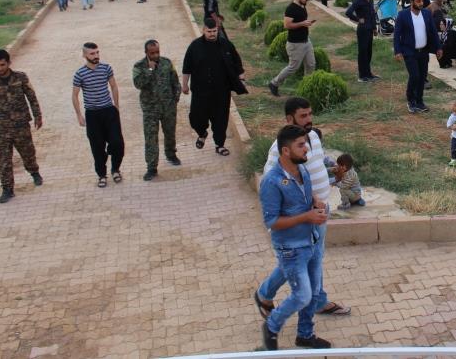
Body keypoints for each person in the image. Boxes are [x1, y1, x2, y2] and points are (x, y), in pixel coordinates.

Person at [257, 97, 351, 319]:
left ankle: (275, 295)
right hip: (302, 217)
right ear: (290, 119)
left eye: (310, 114)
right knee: (303, 260)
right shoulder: (280, 148)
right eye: (303, 116)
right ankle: (307, 302)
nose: (309, 120)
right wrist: (305, 204)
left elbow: (316, 162)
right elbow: (270, 180)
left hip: (319, 212)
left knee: (307, 260)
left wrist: (332, 171)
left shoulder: (313, 137)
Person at [258, 124, 332, 351]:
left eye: (306, 144)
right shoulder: (271, 182)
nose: (306, 149)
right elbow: (272, 222)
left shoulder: (302, 171)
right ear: (285, 151)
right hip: (290, 247)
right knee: (302, 296)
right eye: (300, 145)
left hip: (310, 241)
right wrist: (307, 216)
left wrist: (315, 202)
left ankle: (305, 335)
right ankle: (271, 325)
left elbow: (305, 194)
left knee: (314, 292)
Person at [0, 48, 43, 203]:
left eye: (2, 65)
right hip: (2, 128)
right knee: (3, 159)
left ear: (9, 63)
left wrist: (38, 116)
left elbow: (32, 97)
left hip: (21, 125)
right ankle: (7, 189)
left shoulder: (20, 78)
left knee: (28, 153)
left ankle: (34, 172)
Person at [182, 17, 245, 157]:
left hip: (221, 91)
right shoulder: (195, 46)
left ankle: (219, 145)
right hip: (200, 90)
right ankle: (202, 133)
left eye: (214, 31)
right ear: (203, 30)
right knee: (196, 117)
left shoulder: (225, 44)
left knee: (220, 118)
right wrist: (184, 85)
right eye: (209, 31)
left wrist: (241, 77)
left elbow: (237, 61)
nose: (212, 34)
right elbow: (187, 67)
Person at [72, 42, 124, 187]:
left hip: (109, 111)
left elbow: (113, 86)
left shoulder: (106, 68)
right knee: (97, 147)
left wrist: (116, 106)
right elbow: (75, 95)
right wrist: (79, 115)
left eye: (97, 53)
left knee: (117, 143)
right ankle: (102, 175)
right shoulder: (79, 74)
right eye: (92, 54)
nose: (96, 56)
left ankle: (115, 169)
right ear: (84, 55)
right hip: (93, 115)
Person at [132, 39, 182, 181]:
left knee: (170, 132)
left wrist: (175, 100)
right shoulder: (139, 66)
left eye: (157, 52)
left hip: (168, 107)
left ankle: (171, 154)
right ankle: (152, 167)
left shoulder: (167, 63)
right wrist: (149, 70)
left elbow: (175, 82)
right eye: (152, 53)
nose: (155, 55)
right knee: (151, 138)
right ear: (146, 53)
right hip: (150, 109)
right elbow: (138, 84)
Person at [393, 0, 441, 114]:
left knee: (422, 78)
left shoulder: (426, 13)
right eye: (418, 1)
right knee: (414, 76)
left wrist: (438, 48)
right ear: (412, 2)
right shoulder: (403, 15)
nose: (421, 3)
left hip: (423, 51)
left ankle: (419, 101)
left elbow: (433, 32)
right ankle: (411, 100)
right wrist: (397, 51)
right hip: (409, 52)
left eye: (422, 1)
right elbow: (397, 34)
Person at [269, 0, 317, 97]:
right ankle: (274, 83)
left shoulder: (302, 5)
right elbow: (287, 25)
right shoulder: (291, 9)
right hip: (295, 44)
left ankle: (307, 87)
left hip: (306, 41)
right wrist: (302, 24)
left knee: (311, 64)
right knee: (293, 67)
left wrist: (307, 23)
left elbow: (301, 20)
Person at [344, 0, 379, 82]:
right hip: (362, 30)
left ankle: (369, 74)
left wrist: (374, 28)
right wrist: (358, 19)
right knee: (362, 53)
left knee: (369, 52)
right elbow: (348, 12)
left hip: (370, 30)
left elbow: (372, 14)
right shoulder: (358, 0)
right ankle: (362, 76)